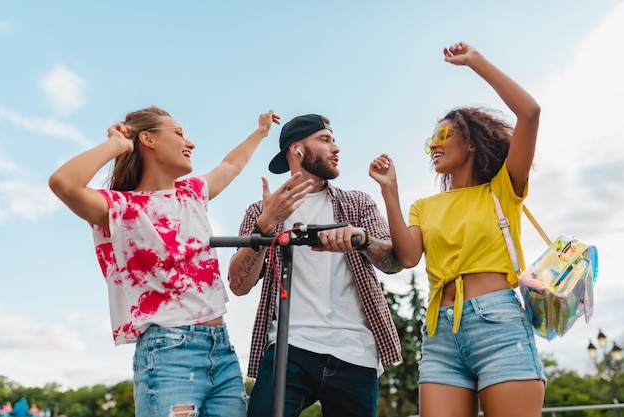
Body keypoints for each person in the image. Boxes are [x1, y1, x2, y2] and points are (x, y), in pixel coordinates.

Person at [48, 106, 280, 417]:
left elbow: (231, 164)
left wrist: (261, 131)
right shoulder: (121, 208)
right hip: (170, 352)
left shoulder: (193, 193)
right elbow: (63, 183)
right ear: (148, 139)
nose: (191, 143)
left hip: (222, 350)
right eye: (179, 133)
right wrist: (116, 145)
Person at [369, 42, 546, 417]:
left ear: (470, 142)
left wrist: (475, 62)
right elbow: (408, 257)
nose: (434, 144)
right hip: (440, 332)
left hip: (497, 323)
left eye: (444, 135)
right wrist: (390, 191)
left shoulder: (502, 188)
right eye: (431, 139)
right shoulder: (424, 206)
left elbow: (530, 113)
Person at [228, 114, 404, 417]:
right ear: (296, 149)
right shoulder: (261, 210)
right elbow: (238, 284)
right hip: (288, 347)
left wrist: (361, 239)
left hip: (355, 351)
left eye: (334, 139)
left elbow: (392, 262)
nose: (336, 148)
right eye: (325, 139)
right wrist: (266, 225)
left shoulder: (357, 203)